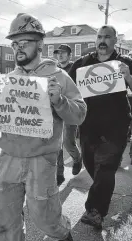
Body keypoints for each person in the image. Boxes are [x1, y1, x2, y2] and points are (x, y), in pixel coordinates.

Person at [0, 13, 87, 241]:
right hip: (8, 158)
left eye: (24, 42)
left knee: (46, 220)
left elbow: (79, 115)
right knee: (4, 225)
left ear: (39, 44)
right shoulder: (10, 78)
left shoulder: (58, 77)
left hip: (41, 160)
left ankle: (63, 232)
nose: (18, 47)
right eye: (14, 43)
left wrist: (60, 101)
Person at [68, 25, 132, 229]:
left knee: (106, 167)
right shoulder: (83, 63)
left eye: (107, 37)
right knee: (93, 167)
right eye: (99, 37)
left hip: (116, 126)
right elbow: (65, 85)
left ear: (115, 41)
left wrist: (128, 77)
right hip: (88, 126)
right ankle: (101, 198)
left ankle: (95, 211)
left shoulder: (125, 63)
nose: (102, 41)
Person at [53, 44, 82, 185]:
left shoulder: (76, 69)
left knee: (68, 143)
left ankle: (77, 159)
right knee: (57, 143)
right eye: (58, 53)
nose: (60, 55)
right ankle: (59, 173)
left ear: (69, 55)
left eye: (63, 53)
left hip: (71, 109)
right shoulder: (53, 70)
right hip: (55, 110)